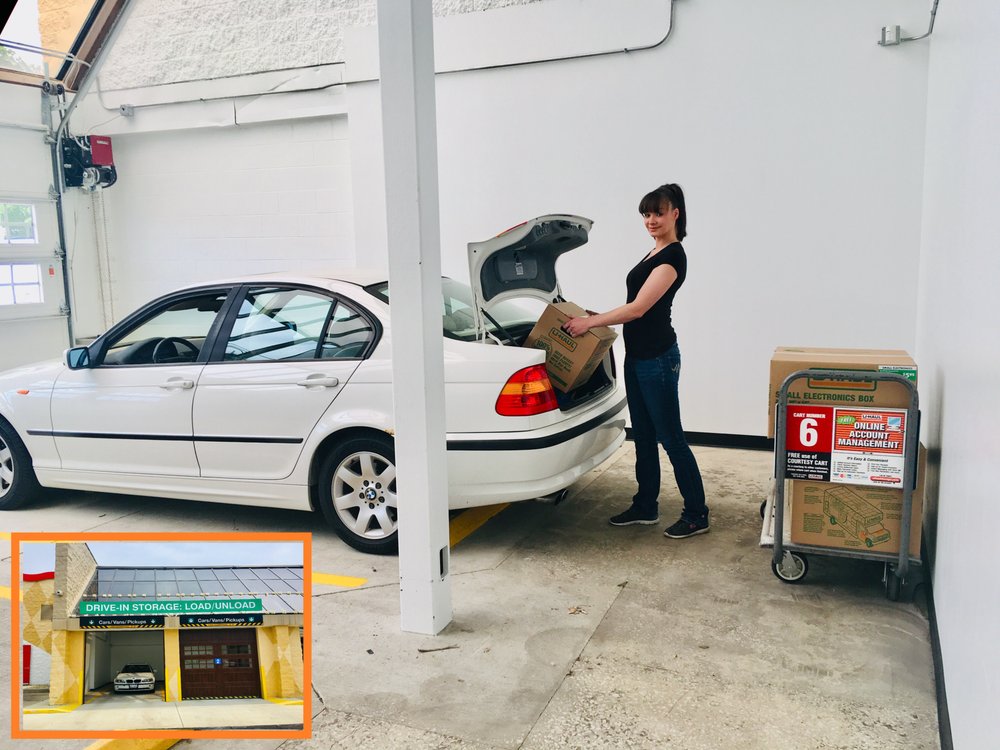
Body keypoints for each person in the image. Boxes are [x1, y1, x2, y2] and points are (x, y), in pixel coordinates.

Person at [562, 183, 709, 539]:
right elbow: (636, 304)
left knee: (671, 438)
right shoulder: (654, 251)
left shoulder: (672, 257)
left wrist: (590, 323)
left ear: (676, 213)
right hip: (639, 356)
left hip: (658, 359)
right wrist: (599, 317)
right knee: (643, 436)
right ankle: (645, 506)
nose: (651, 220)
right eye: (646, 214)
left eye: (658, 213)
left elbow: (639, 308)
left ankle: (696, 514)